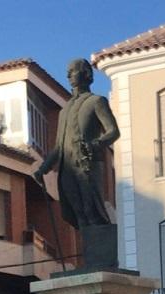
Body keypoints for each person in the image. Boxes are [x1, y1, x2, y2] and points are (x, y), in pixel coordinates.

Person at [35, 58, 120, 270]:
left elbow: (113, 131)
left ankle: (103, 261)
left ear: (85, 74)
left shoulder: (96, 102)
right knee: (79, 212)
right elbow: (58, 146)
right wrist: (43, 169)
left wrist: (96, 143)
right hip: (67, 167)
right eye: (68, 71)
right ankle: (90, 261)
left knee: (93, 210)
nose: (69, 75)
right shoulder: (64, 111)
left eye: (73, 71)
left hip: (88, 164)